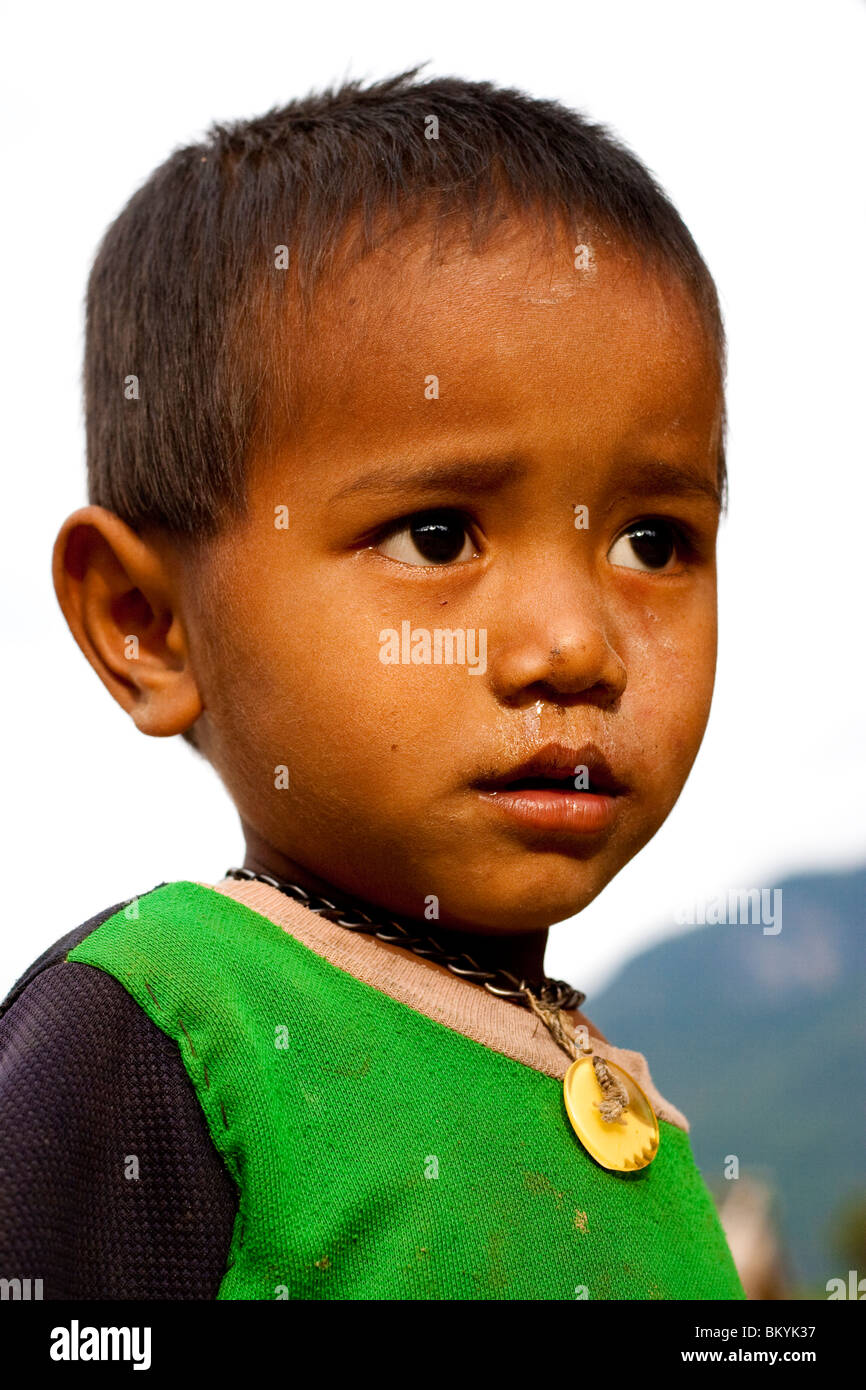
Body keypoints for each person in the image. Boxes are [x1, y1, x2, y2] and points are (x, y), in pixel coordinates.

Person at [0, 65, 745, 1300]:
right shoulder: (167, 1027)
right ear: (148, 622)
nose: (574, 647)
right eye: (438, 536)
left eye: (649, 541)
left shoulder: (633, 1106)